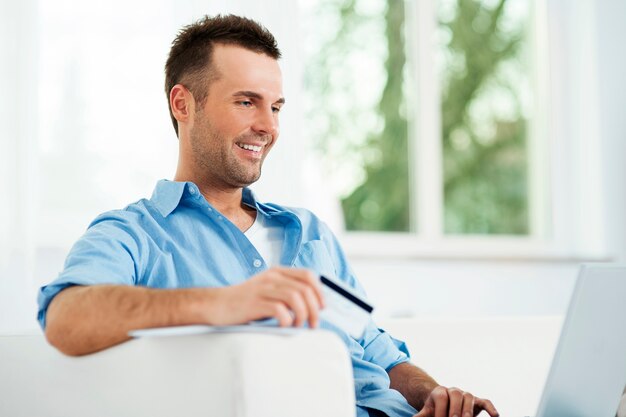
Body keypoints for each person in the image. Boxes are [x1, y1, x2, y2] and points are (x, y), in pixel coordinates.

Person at [37, 14, 499, 417]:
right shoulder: (135, 232)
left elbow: (373, 345)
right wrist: (223, 304)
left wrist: (435, 395)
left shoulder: (308, 230)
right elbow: (65, 318)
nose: (269, 126)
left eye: (275, 106)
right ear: (183, 104)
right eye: (246, 102)